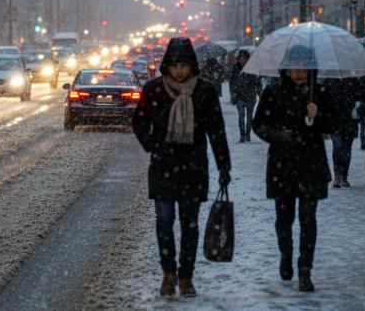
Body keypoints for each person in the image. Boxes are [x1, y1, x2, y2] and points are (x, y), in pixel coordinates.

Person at [132, 37, 231, 299]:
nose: (179, 71)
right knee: (164, 222)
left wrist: (224, 165)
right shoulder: (154, 89)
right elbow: (139, 122)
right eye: (175, 65)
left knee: (190, 225)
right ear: (167, 65)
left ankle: (186, 276)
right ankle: (168, 273)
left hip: (193, 166)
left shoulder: (205, 91)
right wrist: (154, 145)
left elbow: (216, 130)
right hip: (163, 166)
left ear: (192, 66)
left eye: (184, 66)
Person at [252, 45, 337, 293]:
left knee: (308, 219)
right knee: (284, 219)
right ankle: (286, 253)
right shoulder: (273, 92)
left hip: (311, 163)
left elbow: (333, 123)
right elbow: (259, 124)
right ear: (286, 69)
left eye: (303, 69)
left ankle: (305, 270)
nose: (298, 74)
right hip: (282, 163)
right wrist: (278, 135)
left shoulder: (319, 92)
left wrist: (317, 114)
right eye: (294, 68)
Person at [324, 78, 363, 187]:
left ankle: (344, 176)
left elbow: (360, 99)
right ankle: (337, 176)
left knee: (346, 149)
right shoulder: (330, 81)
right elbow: (325, 101)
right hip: (336, 121)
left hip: (349, 121)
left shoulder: (354, 81)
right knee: (338, 147)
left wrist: (357, 107)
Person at [229, 49, 261, 142]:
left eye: (244, 58)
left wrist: (260, 92)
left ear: (248, 59)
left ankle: (248, 134)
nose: (242, 60)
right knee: (241, 116)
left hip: (250, 96)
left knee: (250, 117)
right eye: (241, 58)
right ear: (238, 59)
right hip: (239, 96)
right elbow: (232, 82)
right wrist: (233, 94)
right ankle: (242, 135)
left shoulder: (253, 68)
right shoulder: (235, 68)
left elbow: (257, 82)